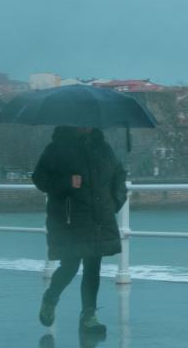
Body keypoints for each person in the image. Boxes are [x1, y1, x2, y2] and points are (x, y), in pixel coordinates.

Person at [32, 126, 128, 336]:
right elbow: (39, 178)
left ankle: (89, 316)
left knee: (93, 267)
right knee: (70, 266)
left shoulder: (104, 148)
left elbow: (119, 176)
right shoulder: (56, 148)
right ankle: (51, 298)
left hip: (98, 218)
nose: (87, 125)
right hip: (68, 220)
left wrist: (114, 202)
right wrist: (66, 183)